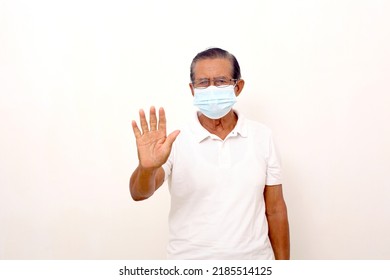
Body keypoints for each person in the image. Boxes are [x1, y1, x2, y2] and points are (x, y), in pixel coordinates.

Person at [130, 48, 290, 260]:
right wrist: (147, 168)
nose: (212, 89)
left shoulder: (262, 136)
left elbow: (276, 210)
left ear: (238, 87)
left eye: (221, 81)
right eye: (203, 83)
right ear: (192, 89)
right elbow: (139, 193)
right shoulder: (174, 141)